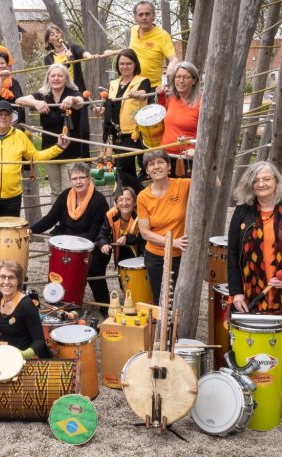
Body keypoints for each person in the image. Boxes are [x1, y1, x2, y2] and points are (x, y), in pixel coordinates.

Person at [227, 161, 282, 423]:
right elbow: (231, 255)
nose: (262, 184)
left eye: (267, 179)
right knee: (253, 346)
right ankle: (255, 396)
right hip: (254, 291)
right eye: (257, 180)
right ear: (250, 185)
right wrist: (237, 293)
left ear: (276, 181)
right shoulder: (242, 214)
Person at [0, 100, 70, 225]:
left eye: (6, 114)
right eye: (0, 114)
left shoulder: (19, 135)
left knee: (10, 240)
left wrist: (59, 147)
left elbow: (35, 157)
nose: (3, 117)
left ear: (12, 117)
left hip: (13, 198)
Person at [31, 163, 109, 309]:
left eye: (82, 178)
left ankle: (105, 307)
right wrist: (31, 230)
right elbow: (50, 219)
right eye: (74, 178)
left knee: (93, 270)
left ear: (89, 179)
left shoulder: (99, 201)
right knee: (58, 268)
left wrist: (67, 241)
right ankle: (61, 302)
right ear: (70, 180)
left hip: (92, 246)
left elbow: (93, 234)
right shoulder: (65, 195)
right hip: (66, 246)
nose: (78, 182)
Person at [16, 64, 89, 202]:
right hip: (50, 150)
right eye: (53, 75)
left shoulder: (72, 92)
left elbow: (80, 102)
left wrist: (71, 100)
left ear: (66, 78)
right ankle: (58, 221)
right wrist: (36, 102)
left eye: (60, 76)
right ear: (48, 78)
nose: (56, 78)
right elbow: (19, 100)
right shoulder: (43, 95)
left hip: (71, 152)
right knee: (55, 191)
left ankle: (72, 220)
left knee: (71, 190)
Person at [137, 150, 190, 304]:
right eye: (151, 164)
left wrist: (198, 156)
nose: (156, 167)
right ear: (147, 171)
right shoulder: (143, 197)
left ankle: (179, 328)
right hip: (155, 256)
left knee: (181, 300)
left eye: (160, 162)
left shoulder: (183, 185)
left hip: (181, 255)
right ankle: (162, 328)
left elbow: (215, 183)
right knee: (161, 300)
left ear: (168, 167)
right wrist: (171, 242)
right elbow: (145, 233)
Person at [97, 49, 150, 192]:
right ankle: (134, 202)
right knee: (127, 170)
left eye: (128, 63)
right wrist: (101, 110)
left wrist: (138, 94)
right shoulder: (114, 83)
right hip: (114, 132)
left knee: (119, 169)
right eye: (122, 64)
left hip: (133, 133)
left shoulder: (142, 81)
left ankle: (143, 195)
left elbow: (144, 94)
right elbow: (110, 104)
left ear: (135, 65)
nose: (124, 67)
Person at [157, 61, 201, 177]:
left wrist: (197, 149)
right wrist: (160, 96)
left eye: (186, 77)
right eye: (178, 77)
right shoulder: (172, 99)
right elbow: (162, 117)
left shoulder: (201, 103)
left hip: (187, 160)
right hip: (166, 157)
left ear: (194, 80)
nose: (181, 81)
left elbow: (210, 134)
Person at [128, 1, 179, 89]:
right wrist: (112, 52)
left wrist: (171, 65)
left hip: (152, 86)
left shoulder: (162, 35)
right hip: (133, 84)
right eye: (140, 15)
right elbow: (131, 51)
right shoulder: (133, 30)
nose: (144, 17)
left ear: (153, 16)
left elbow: (174, 59)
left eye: (147, 14)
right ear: (135, 17)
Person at [96, 187, 143, 266]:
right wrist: (103, 244)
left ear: (134, 202)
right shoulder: (111, 215)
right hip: (120, 254)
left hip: (140, 254)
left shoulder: (140, 215)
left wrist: (127, 238)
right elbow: (103, 233)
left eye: (128, 199)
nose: (124, 203)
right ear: (116, 203)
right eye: (121, 200)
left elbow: (143, 237)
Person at [43, 24, 96, 93]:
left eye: (58, 32)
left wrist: (90, 56)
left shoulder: (73, 48)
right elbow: (55, 74)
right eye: (52, 34)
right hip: (60, 92)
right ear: (49, 40)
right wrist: (67, 61)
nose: (56, 35)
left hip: (76, 90)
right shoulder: (48, 58)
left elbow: (82, 52)